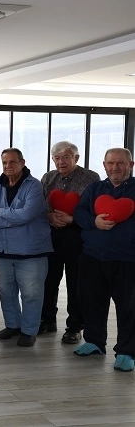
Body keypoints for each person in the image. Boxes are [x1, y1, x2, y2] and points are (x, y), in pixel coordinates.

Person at [72, 148, 135, 372]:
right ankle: (95, 342)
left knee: (128, 307)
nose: (115, 167)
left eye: (120, 163)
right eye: (110, 163)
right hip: (92, 257)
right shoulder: (95, 189)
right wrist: (94, 222)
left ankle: (127, 352)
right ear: (104, 165)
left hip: (127, 260)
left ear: (131, 165)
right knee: (92, 302)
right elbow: (79, 213)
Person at [0, 148, 52, 347]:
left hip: (31, 252)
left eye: (12, 162)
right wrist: (12, 219)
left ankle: (29, 331)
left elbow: (27, 214)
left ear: (22, 162)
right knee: (6, 291)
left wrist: (0, 212)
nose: (8, 166)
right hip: (3, 250)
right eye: (4, 162)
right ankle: (13, 325)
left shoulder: (34, 186)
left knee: (31, 293)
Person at [40, 141, 100, 344]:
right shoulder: (48, 178)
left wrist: (72, 219)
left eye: (66, 157)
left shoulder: (91, 178)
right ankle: (47, 320)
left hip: (78, 236)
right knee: (49, 280)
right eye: (57, 158)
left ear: (76, 158)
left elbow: (95, 210)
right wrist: (49, 217)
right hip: (51, 236)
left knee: (76, 283)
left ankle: (74, 327)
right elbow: (40, 206)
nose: (61, 162)